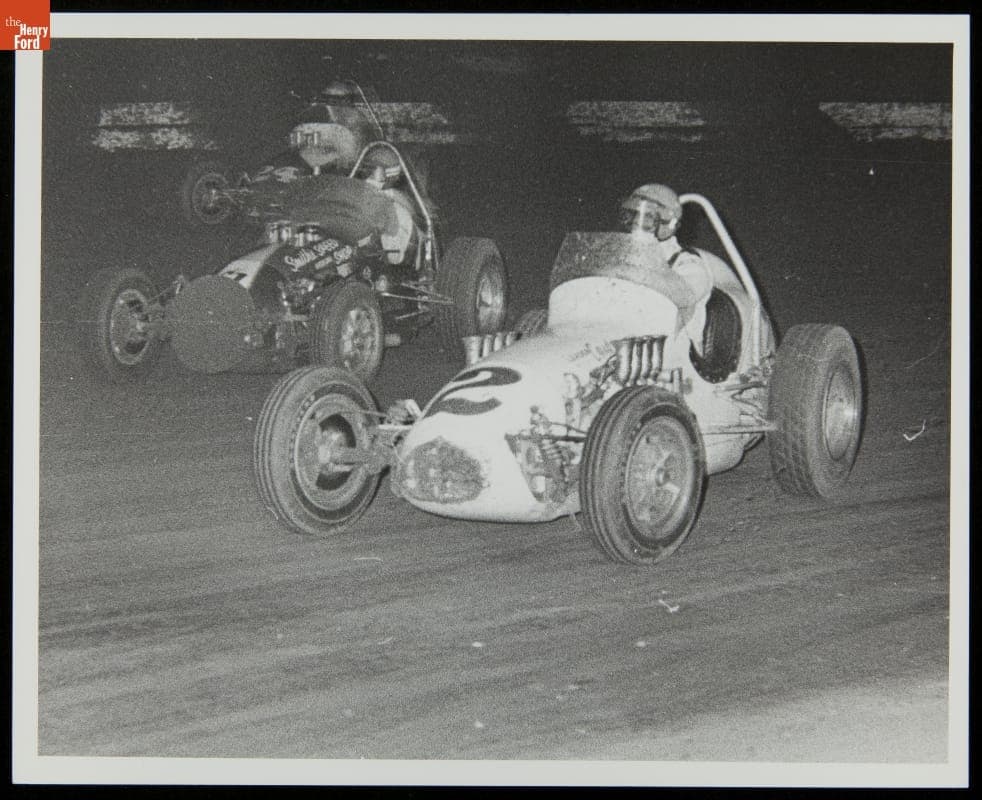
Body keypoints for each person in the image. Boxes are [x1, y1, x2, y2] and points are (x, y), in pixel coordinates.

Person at [619, 183, 713, 353]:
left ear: (668, 224)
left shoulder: (688, 265)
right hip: (629, 342)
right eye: (631, 215)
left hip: (672, 358)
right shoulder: (623, 255)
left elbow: (681, 297)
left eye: (646, 218)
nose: (635, 223)